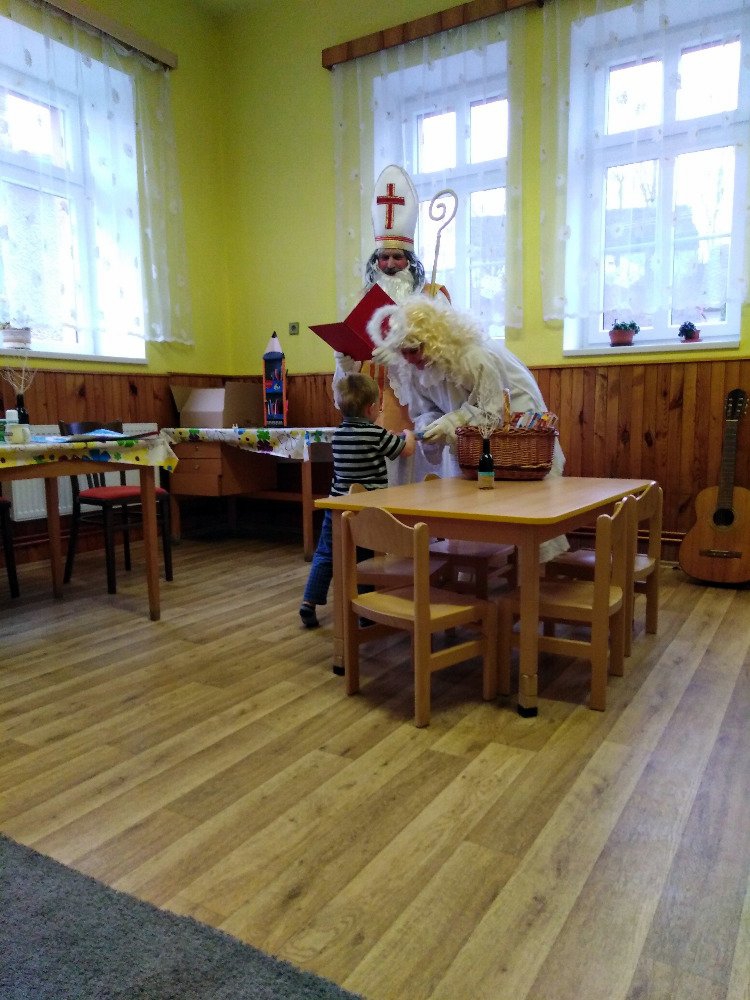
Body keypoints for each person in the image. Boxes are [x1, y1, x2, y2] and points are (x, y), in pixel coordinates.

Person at [299, 371, 415, 628]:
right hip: (367, 509)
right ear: (371, 408)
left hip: (337, 507)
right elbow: (405, 450)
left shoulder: (339, 434)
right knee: (365, 556)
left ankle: (309, 601)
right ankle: (365, 610)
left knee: (325, 553)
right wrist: (409, 434)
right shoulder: (376, 434)